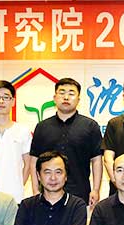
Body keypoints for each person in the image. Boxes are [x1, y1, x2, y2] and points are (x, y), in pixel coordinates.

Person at [29, 77, 103, 207]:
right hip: (47, 193)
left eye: (71, 93)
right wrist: (35, 189)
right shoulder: (42, 127)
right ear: (55, 98)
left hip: (80, 193)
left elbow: (96, 160)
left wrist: (96, 189)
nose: (66, 97)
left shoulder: (90, 126)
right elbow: (34, 159)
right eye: (62, 93)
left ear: (78, 99)